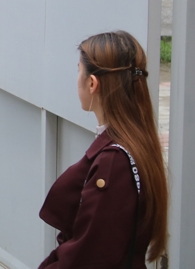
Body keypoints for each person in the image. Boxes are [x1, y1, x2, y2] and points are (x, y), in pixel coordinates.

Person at [39, 31, 168, 268]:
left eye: (79, 70)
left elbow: (87, 257)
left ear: (92, 83)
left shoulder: (114, 161)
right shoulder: (136, 141)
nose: (77, 78)